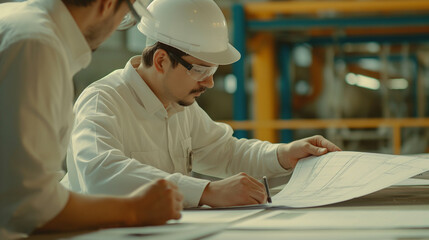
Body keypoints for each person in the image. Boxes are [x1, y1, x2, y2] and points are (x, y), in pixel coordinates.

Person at [62, 0, 341, 209]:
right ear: (161, 61)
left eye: (213, 71)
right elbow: (99, 173)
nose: (209, 83)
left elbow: (227, 153)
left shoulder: (180, 108)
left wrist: (284, 155)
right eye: (200, 71)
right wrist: (206, 191)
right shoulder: (104, 101)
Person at [0, 0, 183, 238]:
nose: (118, 25)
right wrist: (135, 210)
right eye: (125, 16)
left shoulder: (19, 24)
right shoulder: (37, 44)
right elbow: (30, 206)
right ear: (107, 4)